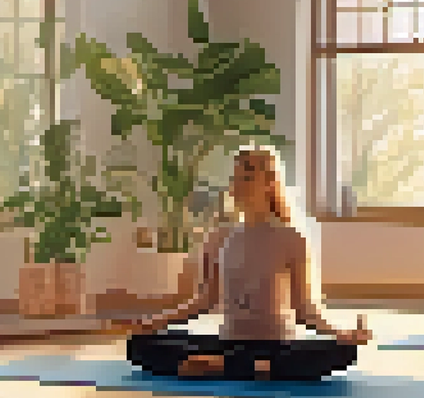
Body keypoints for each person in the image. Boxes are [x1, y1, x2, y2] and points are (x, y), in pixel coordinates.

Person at [123, 147, 372, 381]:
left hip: (276, 345)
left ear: (270, 184)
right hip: (229, 342)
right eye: (236, 178)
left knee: (343, 352)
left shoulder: (291, 238)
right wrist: (153, 322)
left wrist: (342, 334)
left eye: (248, 177)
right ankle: (248, 366)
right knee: (139, 345)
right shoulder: (219, 236)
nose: (239, 184)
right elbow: (204, 300)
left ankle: (225, 365)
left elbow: (305, 309)